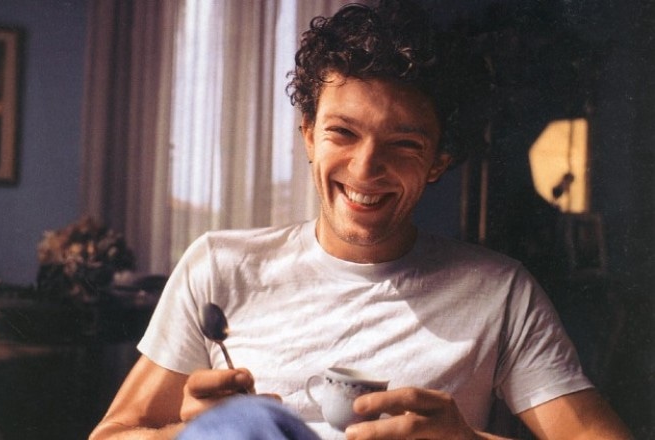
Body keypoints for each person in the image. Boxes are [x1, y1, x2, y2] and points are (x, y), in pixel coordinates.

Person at [90, 1, 633, 439]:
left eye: (404, 144)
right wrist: (190, 434)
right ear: (309, 134)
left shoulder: (499, 293)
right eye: (343, 133)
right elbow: (112, 435)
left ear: (439, 161)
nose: (366, 167)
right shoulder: (219, 266)